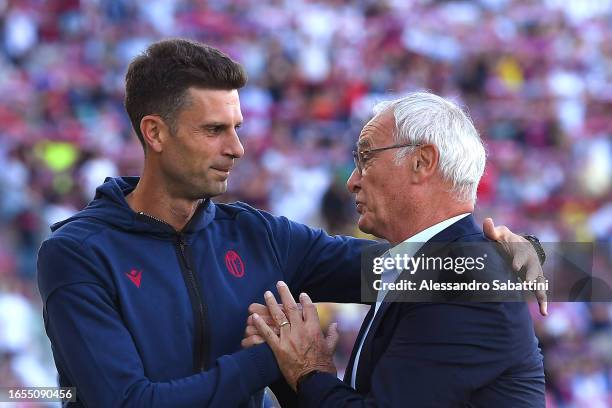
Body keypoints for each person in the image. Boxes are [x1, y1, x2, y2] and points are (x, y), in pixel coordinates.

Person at [37, 39, 544, 407]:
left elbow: (417, 266)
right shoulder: (79, 253)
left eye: (236, 128)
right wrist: (272, 360)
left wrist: (528, 255)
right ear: (155, 133)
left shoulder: (260, 237)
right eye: (214, 130)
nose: (235, 148)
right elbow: (124, 404)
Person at [248, 92, 546, 407]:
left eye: (366, 157)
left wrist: (308, 371)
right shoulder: (431, 263)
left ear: (422, 162)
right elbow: (308, 255)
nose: (352, 181)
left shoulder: (462, 277)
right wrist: (291, 369)